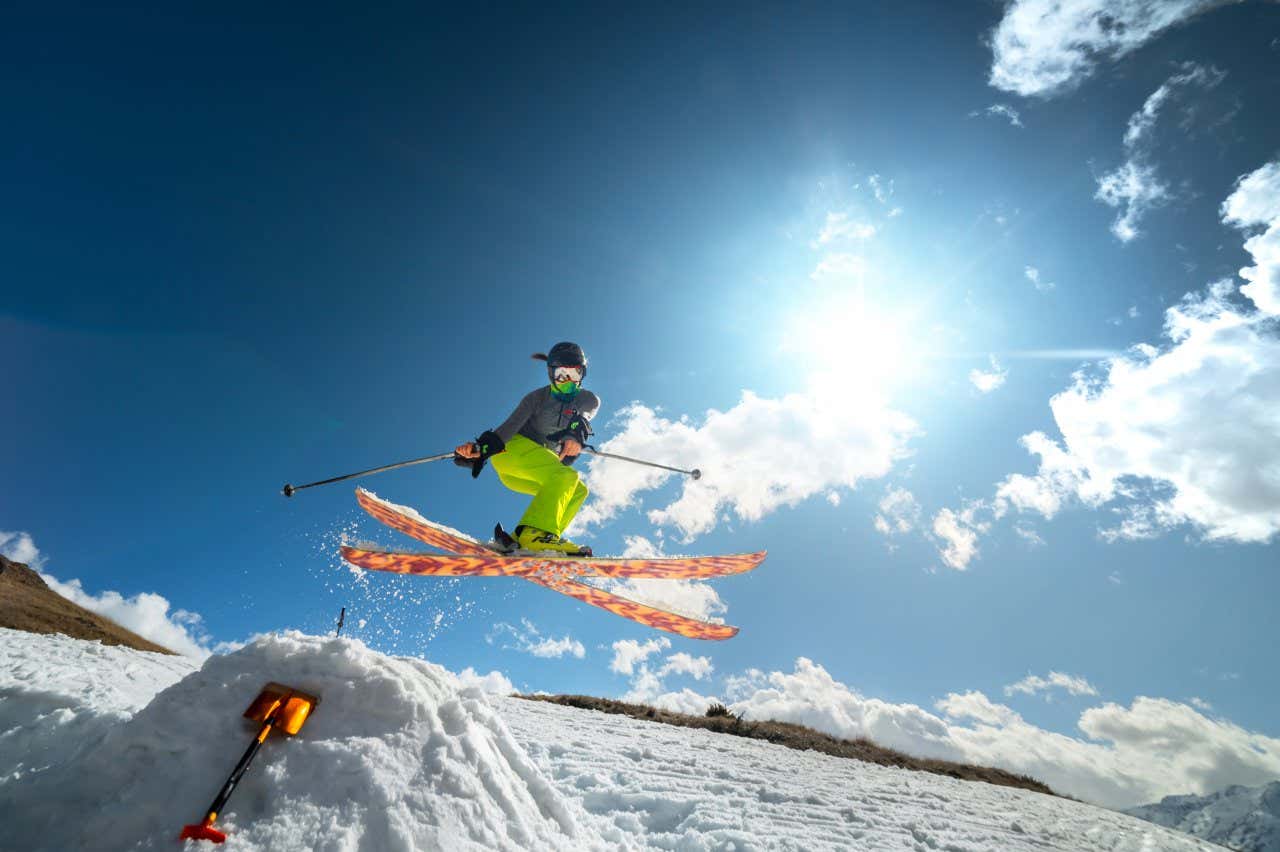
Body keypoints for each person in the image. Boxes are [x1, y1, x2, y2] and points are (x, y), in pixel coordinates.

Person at [454, 341, 598, 555]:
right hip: (511, 452)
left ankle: (532, 537)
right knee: (566, 477)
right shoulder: (537, 398)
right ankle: (537, 533)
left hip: (528, 468)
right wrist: (480, 449)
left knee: (578, 490)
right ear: (551, 374)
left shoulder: (587, 399)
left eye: (574, 374)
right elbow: (508, 428)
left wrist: (574, 436)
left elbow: (582, 417)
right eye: (561, 374)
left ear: (582, 374)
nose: (567, 381)